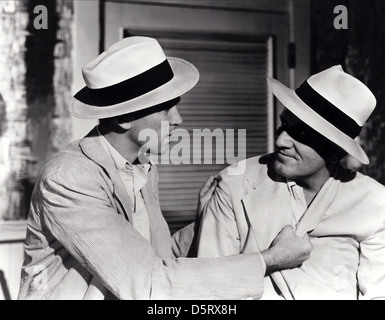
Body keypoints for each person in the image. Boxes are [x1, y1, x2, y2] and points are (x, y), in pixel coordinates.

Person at [17, 36, 311, 300]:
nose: (179, 118)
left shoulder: (142, 166)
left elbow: (158, 259)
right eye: (165, 108)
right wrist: (268, 259)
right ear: (123, 119)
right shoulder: (71, 178)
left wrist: (207, 219)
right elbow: (149, 284)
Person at [197, 65, 385, 300]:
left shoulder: (374, 203)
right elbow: (207, 290)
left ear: (336, 152)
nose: (280, 140)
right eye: (283, 125)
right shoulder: (234, 184)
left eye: (302, 134)